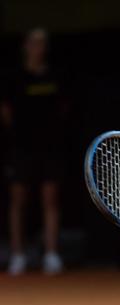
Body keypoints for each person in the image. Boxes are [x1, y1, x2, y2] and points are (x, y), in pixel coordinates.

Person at [1, 28, 68, 275]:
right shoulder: (14, 78)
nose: (38, 48)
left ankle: (51, 254)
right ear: (25, 46)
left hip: (50, 147)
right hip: (21, 148)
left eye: (42, 43)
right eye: (34, 43)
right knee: (18, 200)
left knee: (50, 198)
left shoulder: (55, 76)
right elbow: (6, 112)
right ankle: (17, 255)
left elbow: (63, 108)